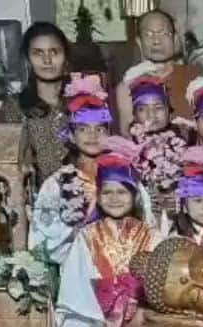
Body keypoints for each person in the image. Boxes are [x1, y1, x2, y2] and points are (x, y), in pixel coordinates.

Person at [55, 137, 162, 327]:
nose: (115, 199)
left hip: (143, 323)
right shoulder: (87, 238)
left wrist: (143, 312)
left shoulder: (152, 236)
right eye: (108, 192)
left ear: (135, 195)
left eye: (122, 192)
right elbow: (76, 286)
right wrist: (95, 321)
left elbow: (162, 282)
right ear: (98, 196)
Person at [31, 74, 156, 264]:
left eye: (100, 129)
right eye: (83, 129)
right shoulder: (56, 184)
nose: (92, 135)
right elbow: (41, 243)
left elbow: (148, 227)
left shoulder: (126, 176)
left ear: (109, 133)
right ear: (71, 135)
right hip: (75, 272)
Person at [114, 9, 200, 133]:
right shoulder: (128, 85)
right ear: (139, 42)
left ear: (175, 39)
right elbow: (127, 138)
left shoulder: (195, 78)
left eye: (164, 33)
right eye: (148, 35)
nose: (156, 41)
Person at [123, 64, 187, 227]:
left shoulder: (183, 146)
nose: (152, 114)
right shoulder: (127, 153)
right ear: (135, 115)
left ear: (168, 112)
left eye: (158, 107)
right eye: (143, 109)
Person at [18, 22, 72, 186]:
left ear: (66, 57)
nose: (47, 60)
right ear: (28, 60)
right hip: (34, 201)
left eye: (54, 52)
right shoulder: (15, 108)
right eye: (38, 53)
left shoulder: (83, 103)